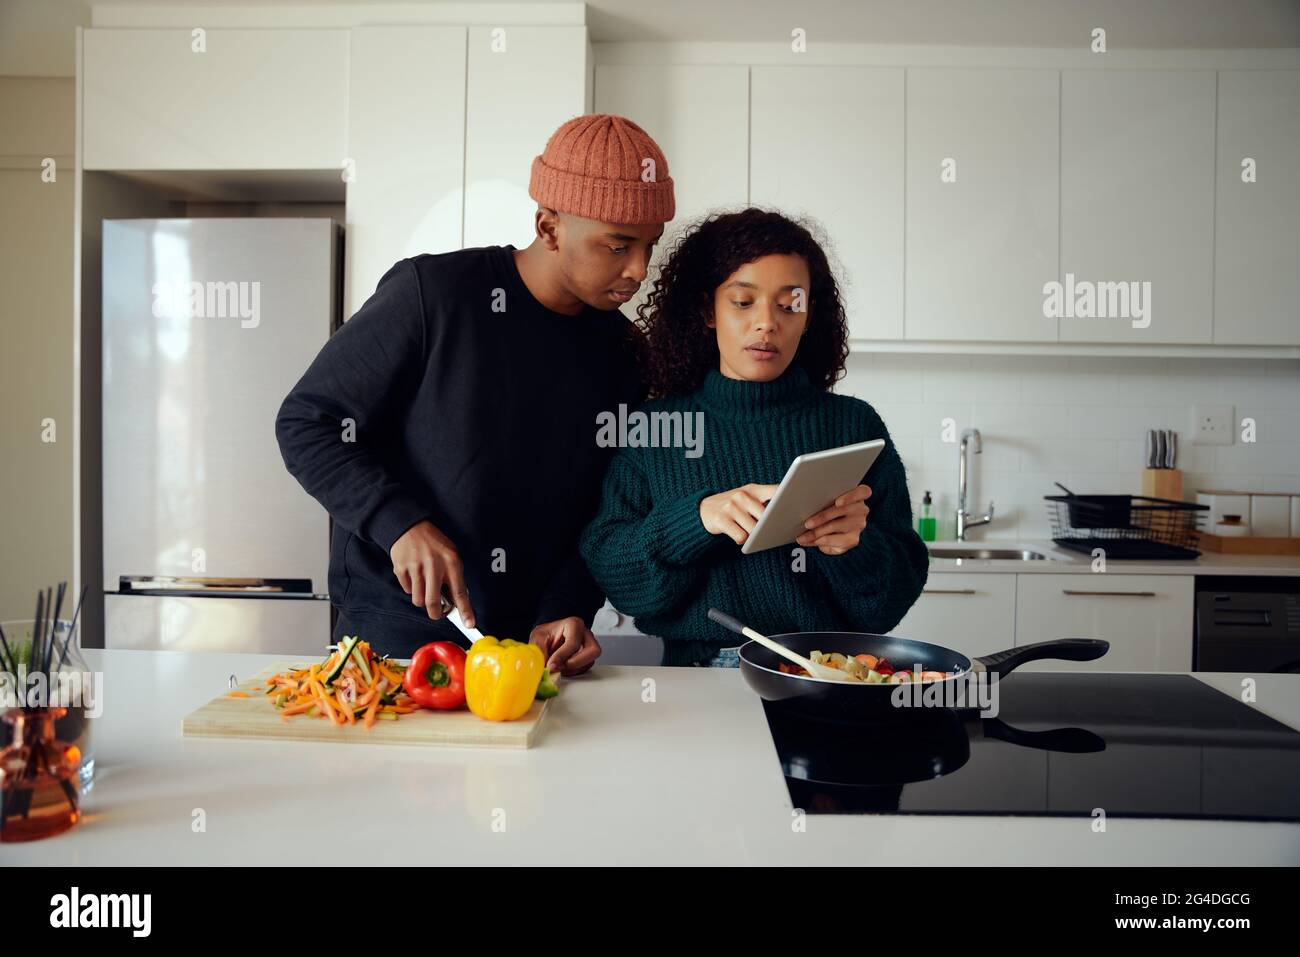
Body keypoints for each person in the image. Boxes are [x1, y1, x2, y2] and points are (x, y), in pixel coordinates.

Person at [275, 114, 671, 673]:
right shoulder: (433, 295)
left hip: (527, 652)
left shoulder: (626, 351)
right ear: (550, 226)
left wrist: (568, 606)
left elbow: (606, 505)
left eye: (650, 246)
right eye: (618, 245)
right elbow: (308, 421)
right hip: (397, 630)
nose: (639, 270)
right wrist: (401, 524)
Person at [579, 208, 928, 667]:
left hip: (825, 677)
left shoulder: (853, 427)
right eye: (743, 302)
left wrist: (855, 547)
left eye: (789, 304)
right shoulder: (653, 429)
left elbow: (887, 607)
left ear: (808, 315)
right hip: (700, 680)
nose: (767, 323)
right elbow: (619, 582)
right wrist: (696, 520)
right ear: (708, 310)